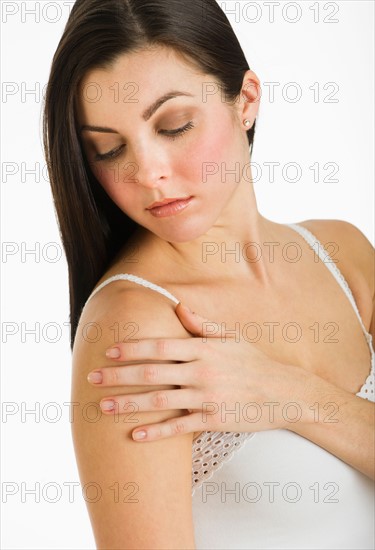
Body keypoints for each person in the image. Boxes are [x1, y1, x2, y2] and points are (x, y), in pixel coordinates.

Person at [43, 0, 374, 548]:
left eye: (174, 125)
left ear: (245, 100)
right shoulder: (135, 329)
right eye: (109, 148)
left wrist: (288, 393)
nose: (148, 173)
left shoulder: (345, 256)